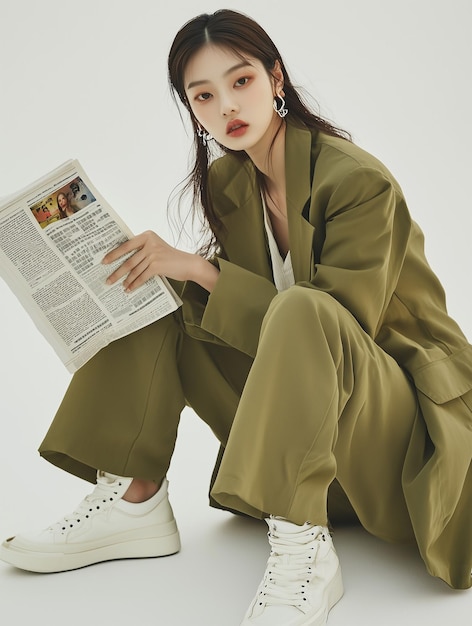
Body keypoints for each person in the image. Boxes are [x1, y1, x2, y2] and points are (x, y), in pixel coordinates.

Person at [1, 8, 471, 625]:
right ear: (190, 109)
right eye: (204, 94)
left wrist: (202, 269)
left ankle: (304, 545)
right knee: (158, 296)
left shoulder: (356, 181)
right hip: (310, 446)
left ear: (276, 79)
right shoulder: (231, 181)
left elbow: (338, 327)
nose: (226, 106)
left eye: (241, 81)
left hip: (399, 438)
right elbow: (247, 321)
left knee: (297, 307)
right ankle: (134, 495)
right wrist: (167, 272)